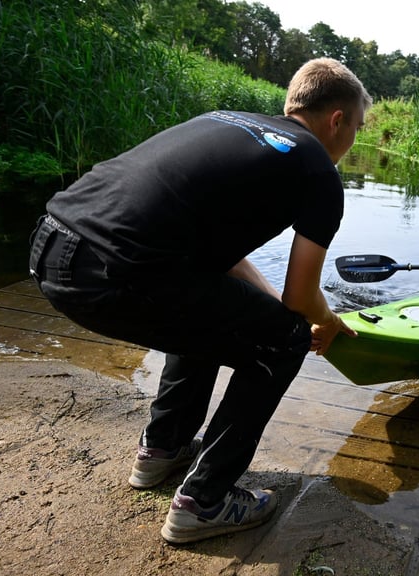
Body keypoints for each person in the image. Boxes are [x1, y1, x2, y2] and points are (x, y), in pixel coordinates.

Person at [27, 58, 371, 544]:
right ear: (337, 120)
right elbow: (301, 297)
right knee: (287, 341)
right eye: (357, 127)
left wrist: (273, 309)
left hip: (51, 247)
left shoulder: (222, 121)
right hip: (116, 272)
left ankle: (161, 452)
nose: (353, 139)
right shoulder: (316, 167)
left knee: (211, 308)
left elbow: (223, 265)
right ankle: (203, 502)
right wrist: (325, 321)